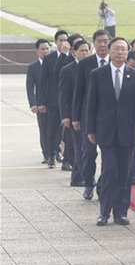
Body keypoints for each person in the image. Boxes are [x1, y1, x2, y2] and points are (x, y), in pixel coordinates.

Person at [86, 37, 135, 226]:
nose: (120, 53)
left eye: (123, 50)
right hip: (106, 131)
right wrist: (90, 129)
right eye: (117, 49)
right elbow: (91, 104)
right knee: (110, 170)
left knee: (125, 173)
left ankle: (121, 211)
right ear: (109, 51)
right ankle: (104, 211)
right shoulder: (98, 74)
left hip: (128, 133)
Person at [72, 30, 112, 200]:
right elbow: (78, 92)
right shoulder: (85, 64)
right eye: (99, 41)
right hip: (88, 116)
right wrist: (75, 117)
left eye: (105, 41)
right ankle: (89, 183)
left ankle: (103, 185)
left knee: (109, 154)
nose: (102, 45)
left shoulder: (116, 63)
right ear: (93, 43)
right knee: (88, 153)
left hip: (109, 118)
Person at [40, 30, 75, 169]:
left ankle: (62, 153)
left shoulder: (72, 56)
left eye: (65, 40)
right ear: (56, 42)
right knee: (52, 129)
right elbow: (47, 79)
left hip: (67, 101)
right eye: (60, 40)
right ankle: (50, 154)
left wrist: (68, 54)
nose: (63, 43)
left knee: (65, 131)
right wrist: (41, 102)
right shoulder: (49, 59)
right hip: (54, 100)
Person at [60, 39, 92, 187]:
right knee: (80, 148)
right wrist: (66, 116)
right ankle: (83, 177)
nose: (85, 53)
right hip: (75, 115)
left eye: (87, 50)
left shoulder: (93, 68)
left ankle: (78, 177)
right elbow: (64, 95)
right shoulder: (68, 70)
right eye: (82, 51)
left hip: (90, 114)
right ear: (74, 52)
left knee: (87, 148)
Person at [26, 39, 49, 164]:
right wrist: (33, 103)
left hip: (54, 103)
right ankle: (46, 153)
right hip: (41, 104)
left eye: (47, 49)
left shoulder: (54, 64)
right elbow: (30, 87)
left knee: (56, 130)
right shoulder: (33, 67)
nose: (45, 51)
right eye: (43, 49)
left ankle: (56, 152)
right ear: (37, 51)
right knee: (44, 129)